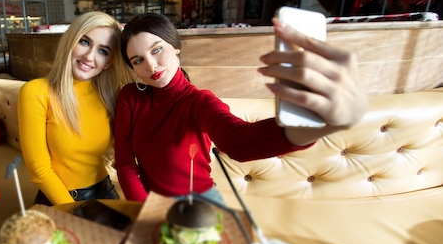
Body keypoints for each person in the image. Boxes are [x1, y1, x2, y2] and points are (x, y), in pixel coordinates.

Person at [114, 12, 369, 204]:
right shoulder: (131, 98)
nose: (151, 65)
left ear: (176, 47)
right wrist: (145, 213)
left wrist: (317, 125)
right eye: (138, 60)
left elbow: (237, 143)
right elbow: (125, 163)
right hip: (149, 202)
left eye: (157, 50)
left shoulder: (199, 102)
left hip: (199, 202)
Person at [18, 11, 133, 205]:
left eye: (103, 51)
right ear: (70, 41)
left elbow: (124, 156)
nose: (89, 57)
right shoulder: (35, 92)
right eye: (85, 42)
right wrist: (75, 213)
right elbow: (40, 171)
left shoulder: (111, 95)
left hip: (104, 190)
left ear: (108, 63)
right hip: (61, 199)